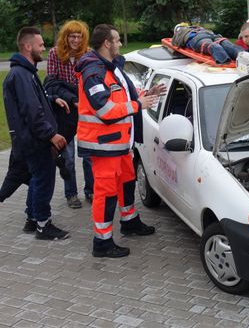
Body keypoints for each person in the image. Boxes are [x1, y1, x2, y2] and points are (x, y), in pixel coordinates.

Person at [76, 24, 163, 258]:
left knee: (127, 181)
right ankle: (102, 243)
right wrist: (137, 105)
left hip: (121, 144)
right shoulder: (93, 72)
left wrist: (146, 94)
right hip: (104, 146)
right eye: (117, 40)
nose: (120, 44)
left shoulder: (112, 68)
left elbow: (123, 97)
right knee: (105, 193)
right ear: (107, 43)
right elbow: (104, 109)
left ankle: (130, 221)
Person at [3, 27, 70, 239]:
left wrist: (51, 99)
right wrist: (51, 135)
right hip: (35, 141)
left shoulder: (26, 72)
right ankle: (43, 224)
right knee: (43, 180)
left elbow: (34, 101)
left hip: (32, 140)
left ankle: (32, 219)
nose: (44, 48)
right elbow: (31, 112)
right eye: (40, 45)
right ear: (27, 46)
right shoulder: (21, 75)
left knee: (36, 179)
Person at [46, 20, 93, 208]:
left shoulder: (88, 55)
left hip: (85, 113)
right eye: (72, 36)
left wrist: (67, 90)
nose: (75, 40)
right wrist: (67, 96)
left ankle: (91, 190)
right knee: (68, 157)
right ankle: (71, 193)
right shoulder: (55, 53)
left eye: (79, 36)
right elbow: (50, 84)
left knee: (89, 157)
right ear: (65, 37)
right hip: (64, 113)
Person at [172, 25, 243, 64]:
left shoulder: (179, 32)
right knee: (226, 44)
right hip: (211, 34)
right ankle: (242, 54)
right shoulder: (197, 27)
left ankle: (224, 61)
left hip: (197, 38)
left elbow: (174, 44)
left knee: (212, 46)